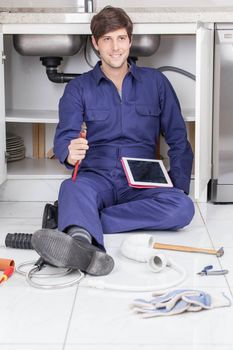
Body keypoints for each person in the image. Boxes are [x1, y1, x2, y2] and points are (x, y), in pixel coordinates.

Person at [32, 6, 195, 276]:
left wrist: (178, 187)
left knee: (183, 208)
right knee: (71, 189)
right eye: (107, 39)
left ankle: (81, 225)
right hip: (97, 176)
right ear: (95, 43)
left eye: (121, 38)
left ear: (130, 41)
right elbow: (65, 137)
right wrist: (69, 152)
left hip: (142, 181)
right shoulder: (78, 88)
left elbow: (178, 138)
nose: (115, 47)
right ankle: (85, 247)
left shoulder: (156, 83)